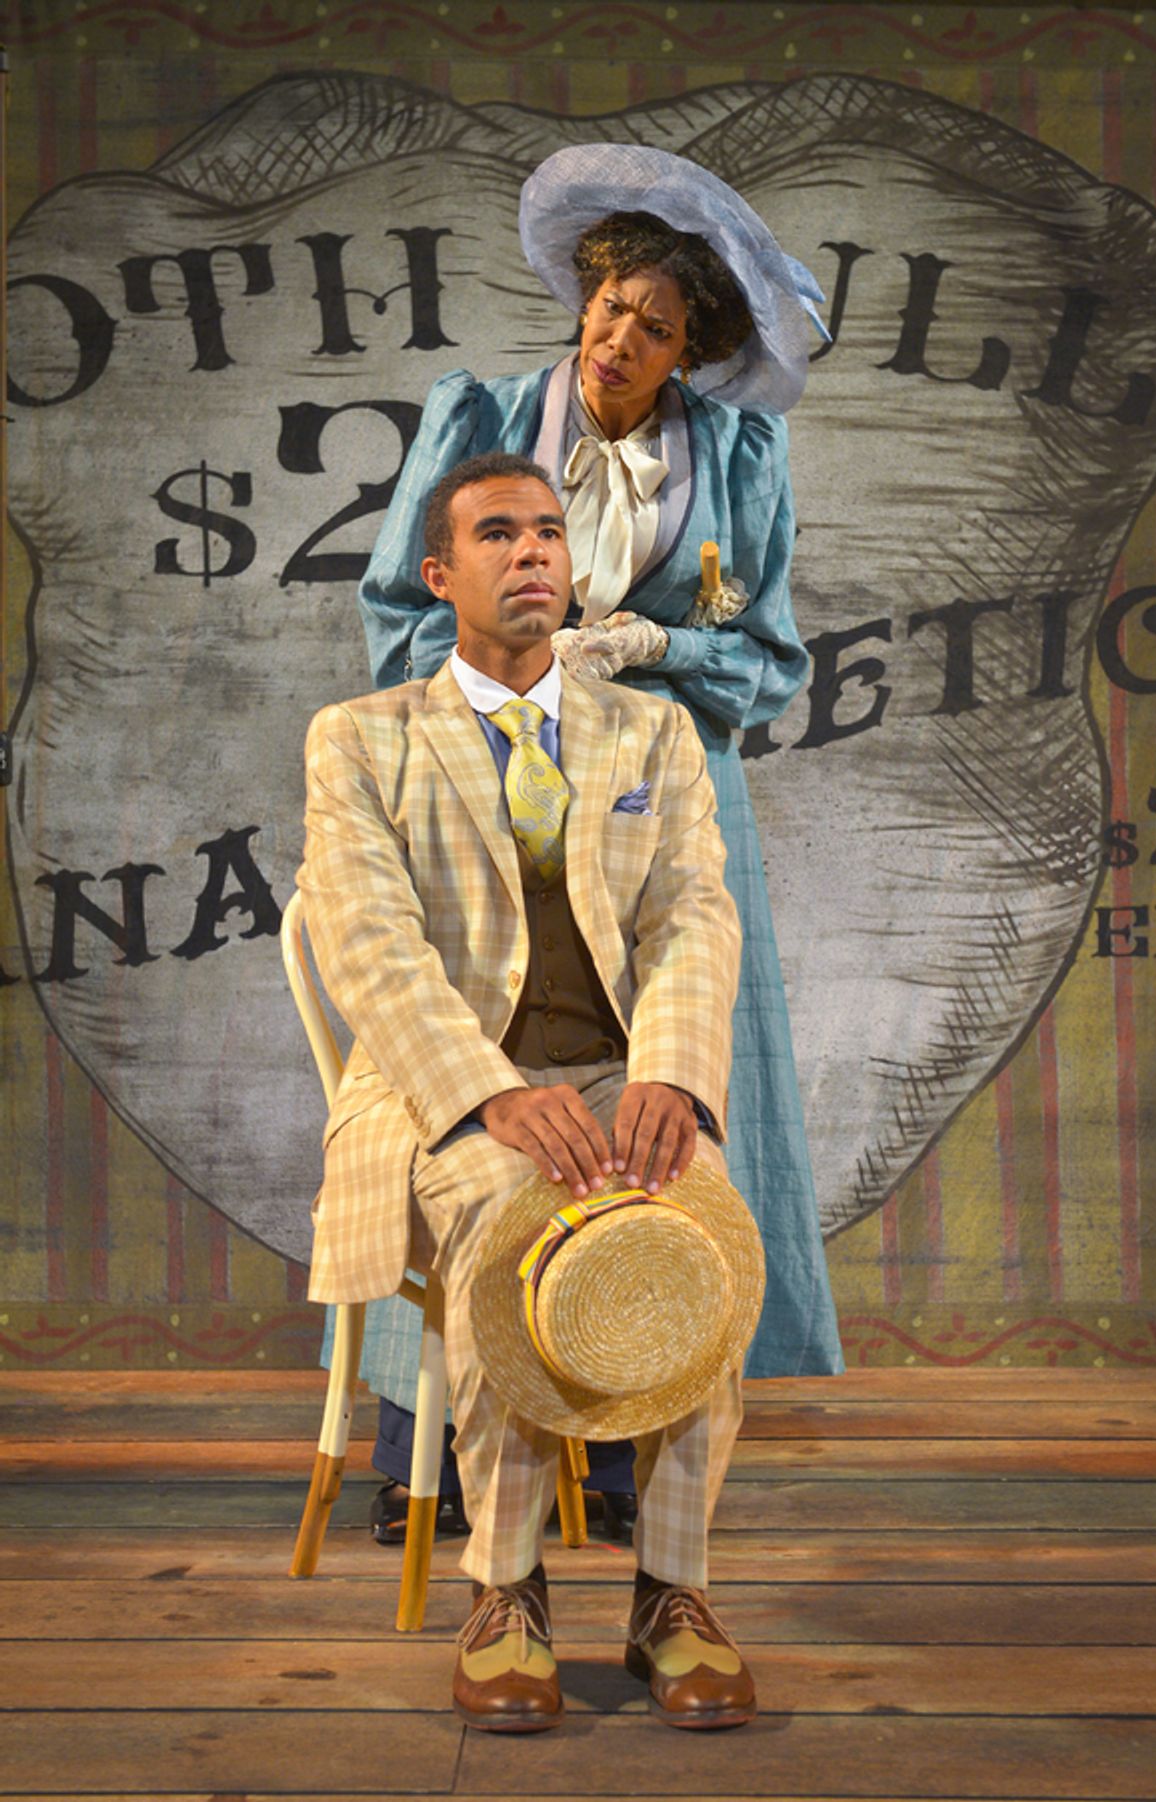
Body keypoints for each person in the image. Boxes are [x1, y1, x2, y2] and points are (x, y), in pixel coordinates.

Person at [338, 142, 844, 1541]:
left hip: (667, 805)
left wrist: (651, 646)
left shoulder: (738, 455)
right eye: (612, 305)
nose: (622, 339)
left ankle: (623, 1438)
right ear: (584, 293)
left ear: (695, 350)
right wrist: (514, 675)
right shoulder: (486, 411)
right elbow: (395, 609)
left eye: (657, 327)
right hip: (484, 787)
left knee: (650, 1098)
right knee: (477, 1085)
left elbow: (767, 663)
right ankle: (422, 1451)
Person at [298, 450, 757, 1730]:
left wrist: (668, 1073)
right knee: (517, 1232)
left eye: (550, 531)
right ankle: (504, 1591)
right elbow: (370, 947)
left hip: (621, 1066)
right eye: (499, 534)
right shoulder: (363, 741)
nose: (534, 553)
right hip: (449, 1086)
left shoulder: (650, 730)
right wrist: (494, 1096)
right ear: (441, 575)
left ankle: (675, 1589)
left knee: (705, 1235)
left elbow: (692, 918)